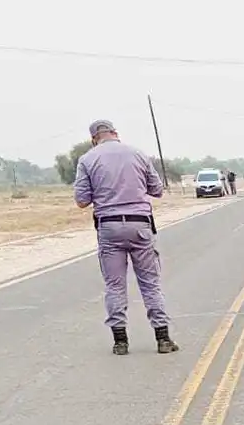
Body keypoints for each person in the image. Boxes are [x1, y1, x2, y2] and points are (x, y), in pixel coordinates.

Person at [73, 118, 178, 356]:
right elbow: (157, 190)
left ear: (93, 139)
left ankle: (120, 342)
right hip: (140, 224)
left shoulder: (87, 159)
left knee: (114, 286)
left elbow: (81, 200)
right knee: (150, 284)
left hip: (109, 227)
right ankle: (163, 338)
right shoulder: (138, 154)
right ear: (115, 133)